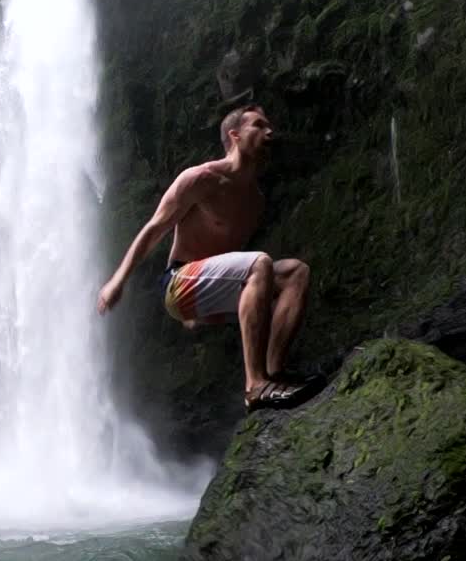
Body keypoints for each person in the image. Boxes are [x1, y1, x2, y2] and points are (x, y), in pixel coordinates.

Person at [96, 104, 316, 411]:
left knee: (296, 273)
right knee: (260, 263)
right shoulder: (201, 178)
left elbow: (231, 262)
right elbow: (154, 229)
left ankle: (273, 372)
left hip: (214, 289)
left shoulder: (254, 201)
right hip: (178, 282)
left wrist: (203, 310)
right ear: (235, 135)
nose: (270, 132)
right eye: (259, 125)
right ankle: (255, 385)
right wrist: (117, 281)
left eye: (270, 126)